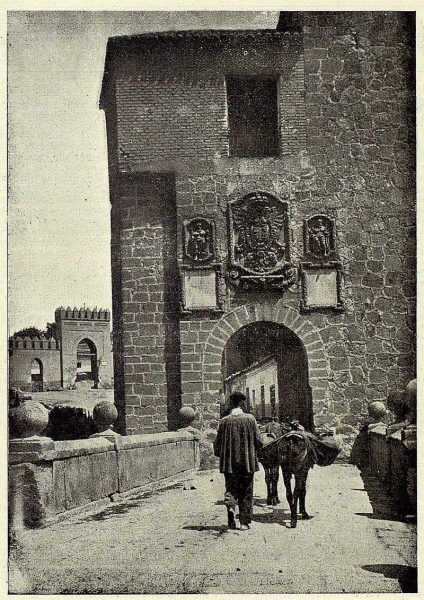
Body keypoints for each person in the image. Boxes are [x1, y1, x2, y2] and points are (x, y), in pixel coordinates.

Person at [213, 392, 263, 530]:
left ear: (231, 404)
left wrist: (223, 456)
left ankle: (231, 509)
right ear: (242, 403)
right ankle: (244, 522)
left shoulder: (224, 421)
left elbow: (217, 444)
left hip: (229, 464)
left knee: (230, 488)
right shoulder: (250, 419)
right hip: (247, 462)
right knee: (246, 490)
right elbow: (259, 441)